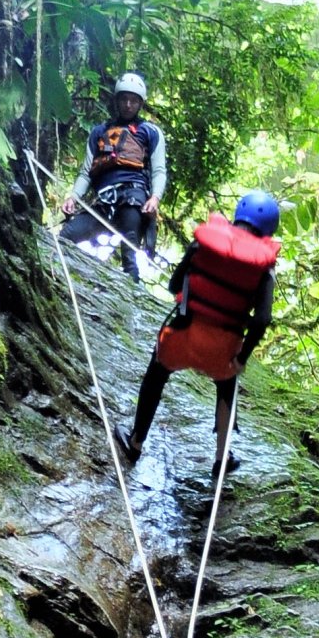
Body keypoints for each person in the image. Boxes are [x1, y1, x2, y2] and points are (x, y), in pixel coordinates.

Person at [115, 191, 281, 477]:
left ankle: (136, 441)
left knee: (156, 373)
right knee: (228, 384)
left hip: (182, 339)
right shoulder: (264, 268)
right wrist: (242, 357)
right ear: (268, 231)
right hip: (222, 352)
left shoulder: (202, 244)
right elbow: (262, 319)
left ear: (238, 214)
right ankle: (221, 458)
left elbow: (173, 285)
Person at [61, 71, 166, 274]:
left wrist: (154, 198)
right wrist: (73, 197)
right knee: (67, 235)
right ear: (117, 101)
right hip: (103, 200)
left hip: (133, 197)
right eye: (124, 99)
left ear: (140, 104)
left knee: (130, 252)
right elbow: (86, 172)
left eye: (133, 101)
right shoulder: (99, 132)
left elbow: (159, 170)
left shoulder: (150, 132)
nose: (128, 105)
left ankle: (133, 290)